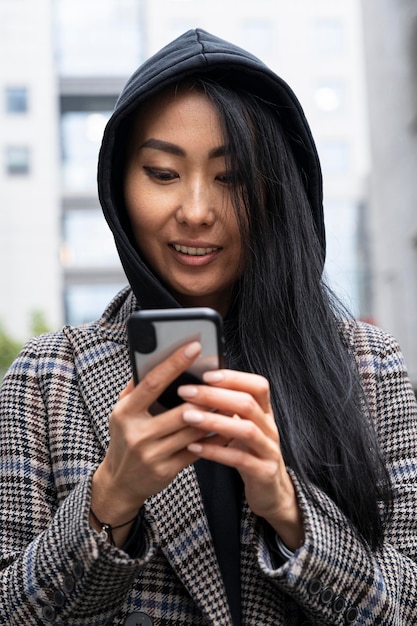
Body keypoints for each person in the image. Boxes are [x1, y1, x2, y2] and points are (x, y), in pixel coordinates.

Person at [0, 28, 416, 626]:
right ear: (120, 187)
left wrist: (290, 509)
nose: (196, 210)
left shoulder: (368, 368)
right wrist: (108, 500)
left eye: (232, 177)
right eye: (163, 173)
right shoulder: (44, 380)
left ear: (276, 190)